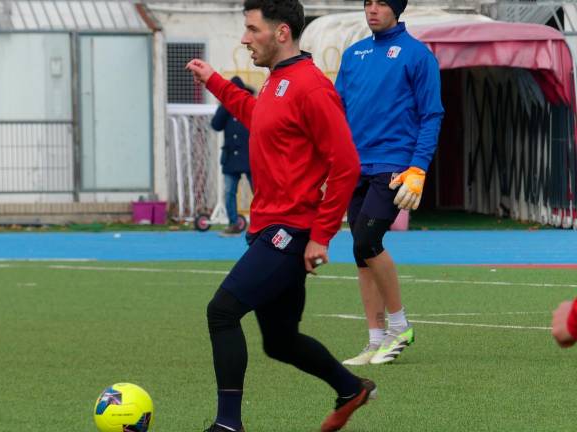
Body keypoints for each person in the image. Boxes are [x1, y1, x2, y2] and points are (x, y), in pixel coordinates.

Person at [187, 1, 375, 431]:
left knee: (222, 311)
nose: (244, 38)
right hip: (268, 229)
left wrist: (321, 235)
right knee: (280, 341)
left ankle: (228, 424)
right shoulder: (277, 83)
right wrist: (214, 80)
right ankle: (351, 389)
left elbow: (345, 164)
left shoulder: (311, 87)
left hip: (289, 231)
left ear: (282, 33)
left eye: (252, 29)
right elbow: (259, 118)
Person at [334, 0, 444, 366]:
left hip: (394, 167)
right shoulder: (353, 55)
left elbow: (431, 115)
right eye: (368, 2)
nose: (372, 9)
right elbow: (337, 111)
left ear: (396, 8)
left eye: (381, 2)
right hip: (354, 166)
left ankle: (400, 325)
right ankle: (374, 339)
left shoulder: (417, 55)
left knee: (368, 239)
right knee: (359, 251)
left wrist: (419, 168)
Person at [211, 76, 254, 236]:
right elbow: (215, 125)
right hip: (231, 156)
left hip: (251, 156)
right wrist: (226, 104)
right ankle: (233, 223)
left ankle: (264, 223)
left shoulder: (249, 105)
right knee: (229, 191)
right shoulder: (226, 108)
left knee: (260, 192)